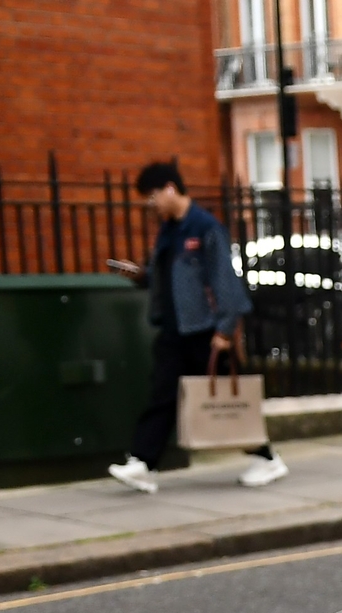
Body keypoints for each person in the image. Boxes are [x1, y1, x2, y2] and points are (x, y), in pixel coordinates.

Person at [106, 161, 287, 493]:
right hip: (175, 329)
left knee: (228, 402)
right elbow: (168, 280)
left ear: (171, 188)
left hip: (205, 331)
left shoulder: (205, 228)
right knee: (161, 394)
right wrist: (141, 276)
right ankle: (143, 463)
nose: (151, 205)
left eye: (153, 196)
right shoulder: (169, 230)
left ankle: (267, 458)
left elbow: (226, 283)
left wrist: (224, 331)